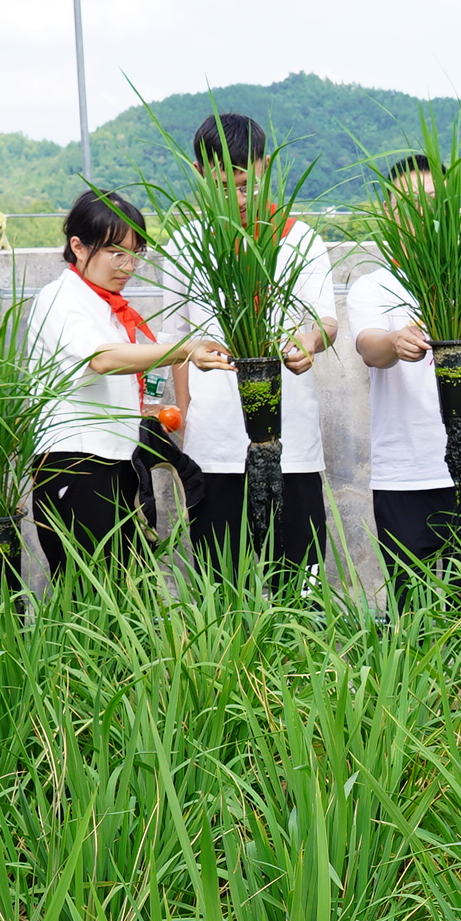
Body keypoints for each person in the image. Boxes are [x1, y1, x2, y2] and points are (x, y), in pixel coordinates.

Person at [349, 153, 461, 611]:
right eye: (406, 203)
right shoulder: (372, 286)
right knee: (410, 607)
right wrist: (394, 342)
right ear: (387, 211)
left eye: (431, 200)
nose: (420, 213)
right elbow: (369, 347)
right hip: (404, 471)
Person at [168, 114, 339, 580]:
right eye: (224, 187)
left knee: (299, 582)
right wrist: (187, 418)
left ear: (265, 167)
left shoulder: (298, 238)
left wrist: (309, 342)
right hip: (214, 444)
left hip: (291, 443)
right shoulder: (187, 244)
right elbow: (176, 342)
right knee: (221, 584)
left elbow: (326, 322)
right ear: (200, 173)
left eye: (248, 185)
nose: (239, 200)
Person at [28, 188, 226, 576]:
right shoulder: (59, 298)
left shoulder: (109, 308)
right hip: (76, 464)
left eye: (136, 253)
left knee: (129, 590)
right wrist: (185, 349)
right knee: (88, 592)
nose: (128, 266)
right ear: (78, 247)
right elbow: (102, 359)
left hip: (117, 463)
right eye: (115, 252)